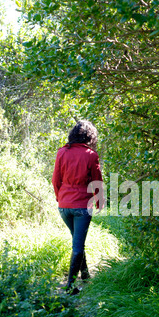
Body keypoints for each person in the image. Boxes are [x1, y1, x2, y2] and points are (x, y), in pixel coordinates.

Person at [52, 120, 104, 295]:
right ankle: (70, 287)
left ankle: (86, 275)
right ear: (90, 136)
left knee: (77, 240)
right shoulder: (91, 155)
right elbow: (97, 182)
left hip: (64, 206)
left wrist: (60, 198)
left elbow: (55, 180)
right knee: (78, 246)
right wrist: (100, 202)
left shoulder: (61, 152)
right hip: (82, 206)